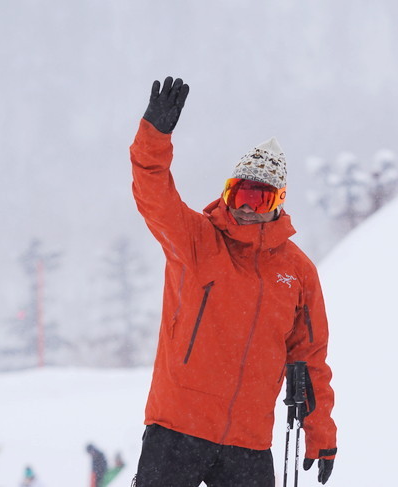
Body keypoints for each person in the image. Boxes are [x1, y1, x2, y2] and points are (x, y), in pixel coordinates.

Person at [129, 77, 337, 486]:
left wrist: (320, 433)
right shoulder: (195, 239)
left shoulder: (296, 271)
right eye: (238, 194)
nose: (245, 207)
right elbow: (151, 189)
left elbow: (309, 359)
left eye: (259, 199)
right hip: (176, 428)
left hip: (248, 441)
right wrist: (155, 135)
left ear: (278, 203)